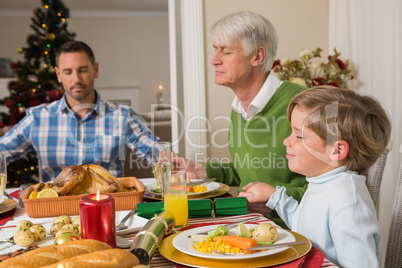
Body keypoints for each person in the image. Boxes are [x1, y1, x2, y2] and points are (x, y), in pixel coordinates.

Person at [175, 11, 307, 227]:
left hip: (290, 232)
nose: (214, 60)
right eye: (215, 49)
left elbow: (329, 186)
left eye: (226, 51)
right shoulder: (239, 108)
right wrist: (202, 170)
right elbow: (247, 169)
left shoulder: (302, 104)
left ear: (257, 56)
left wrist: (274, 198)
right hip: (248, 225)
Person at [239, 86, 391, 267]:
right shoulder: (322, 181)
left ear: (337, 150)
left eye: (298, 135)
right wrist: (275, 197)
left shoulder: (348, 202)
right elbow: (304, 225)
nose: (286, 141)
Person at [0, 41, 160, 182]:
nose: (76, 79)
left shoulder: (122, 116)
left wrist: (168, 158)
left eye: (82, 70)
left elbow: (152, 148)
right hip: (54, 211)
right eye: (68, 72)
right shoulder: (37, 117)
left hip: (109, 208)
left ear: (95, 70)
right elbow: (4, 149)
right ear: (58, 75)